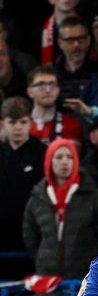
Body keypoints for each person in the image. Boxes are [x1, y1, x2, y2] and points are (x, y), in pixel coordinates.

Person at [23, 138, 98, 278]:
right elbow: (30, 235)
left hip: (86, 276)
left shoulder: (93, 195)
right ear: (49, 161)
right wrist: (43, 257)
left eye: (70, 157)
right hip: (47, 276)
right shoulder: (38, 197)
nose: (65, 161)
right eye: (59, 157)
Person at [0, 97, 47, 258]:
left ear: (31, 123)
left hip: (34, 234)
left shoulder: (43, 153)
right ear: (3, 124)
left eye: (23, 122)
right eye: (12, 122)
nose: (18, 127)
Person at [27, 65, 83, 145]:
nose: (48, 90)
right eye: (41, 85)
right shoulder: (19, 124)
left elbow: (72, 155)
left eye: (52, 85)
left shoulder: (71, 124)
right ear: (30, 92)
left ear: (58, 90)